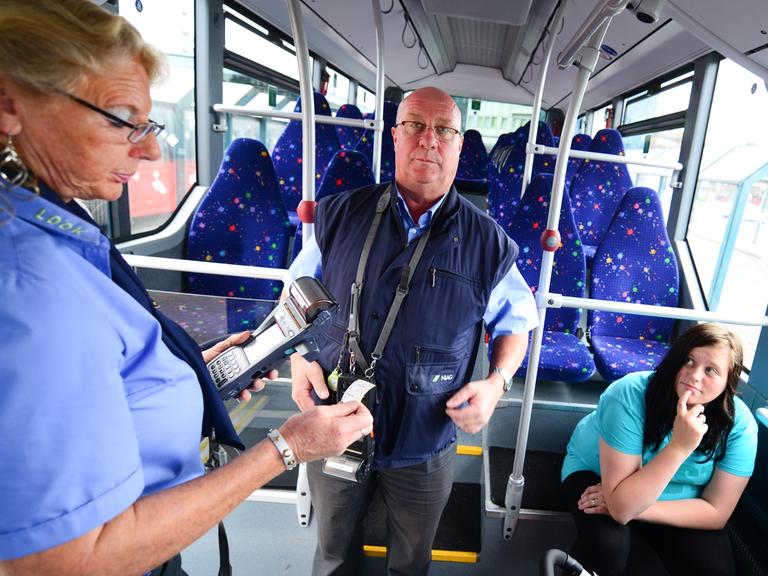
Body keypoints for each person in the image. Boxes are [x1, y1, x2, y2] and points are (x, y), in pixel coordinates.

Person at [0, 2, 372, 575]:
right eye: (122, 117)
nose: (150, 150)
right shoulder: (29, 280)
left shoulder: (55, 228)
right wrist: (287, 447)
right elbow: (69, 560)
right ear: (10, 105)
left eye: (150, 126)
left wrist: (189, 375)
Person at [288, 86, 538, 575]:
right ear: (394, 136)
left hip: (426, 435)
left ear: (460, 145)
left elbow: (518, 322)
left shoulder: (489, 242)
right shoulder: (338, 214)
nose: (429, 140)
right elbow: (295, 296)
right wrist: (296, 360)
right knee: (334, 552)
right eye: (415, 126)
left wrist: (496, 383)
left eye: (444, 129)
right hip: (334, 419)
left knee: (411, 561)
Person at [561, 323, 758, 576]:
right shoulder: (629, 394)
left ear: (727, 382)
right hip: (599, 477)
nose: (694, 375)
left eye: (711, 370)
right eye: (688, 360)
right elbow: (621, 508)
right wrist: (678, 447)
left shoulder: (740, 427)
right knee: (607, 546)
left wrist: (641, 510)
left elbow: (717, 511)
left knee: (714, 569)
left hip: (673, 498)